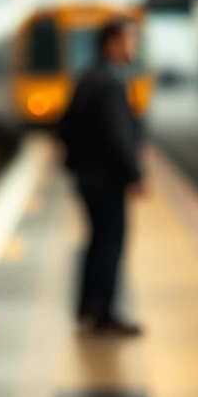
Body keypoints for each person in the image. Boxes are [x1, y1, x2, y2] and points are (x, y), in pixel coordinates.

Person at [58, 18, 145, 336]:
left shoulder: (89, 76)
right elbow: (118, 135)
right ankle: (105, 314)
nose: (132, 47)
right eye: (128, 40)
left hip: (89, 177)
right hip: (107, 180)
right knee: (110, 244)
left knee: (96, 242)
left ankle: (87, 306)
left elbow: (66, 125)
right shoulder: (111, 81)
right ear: (112, 43)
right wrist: (136, 174)